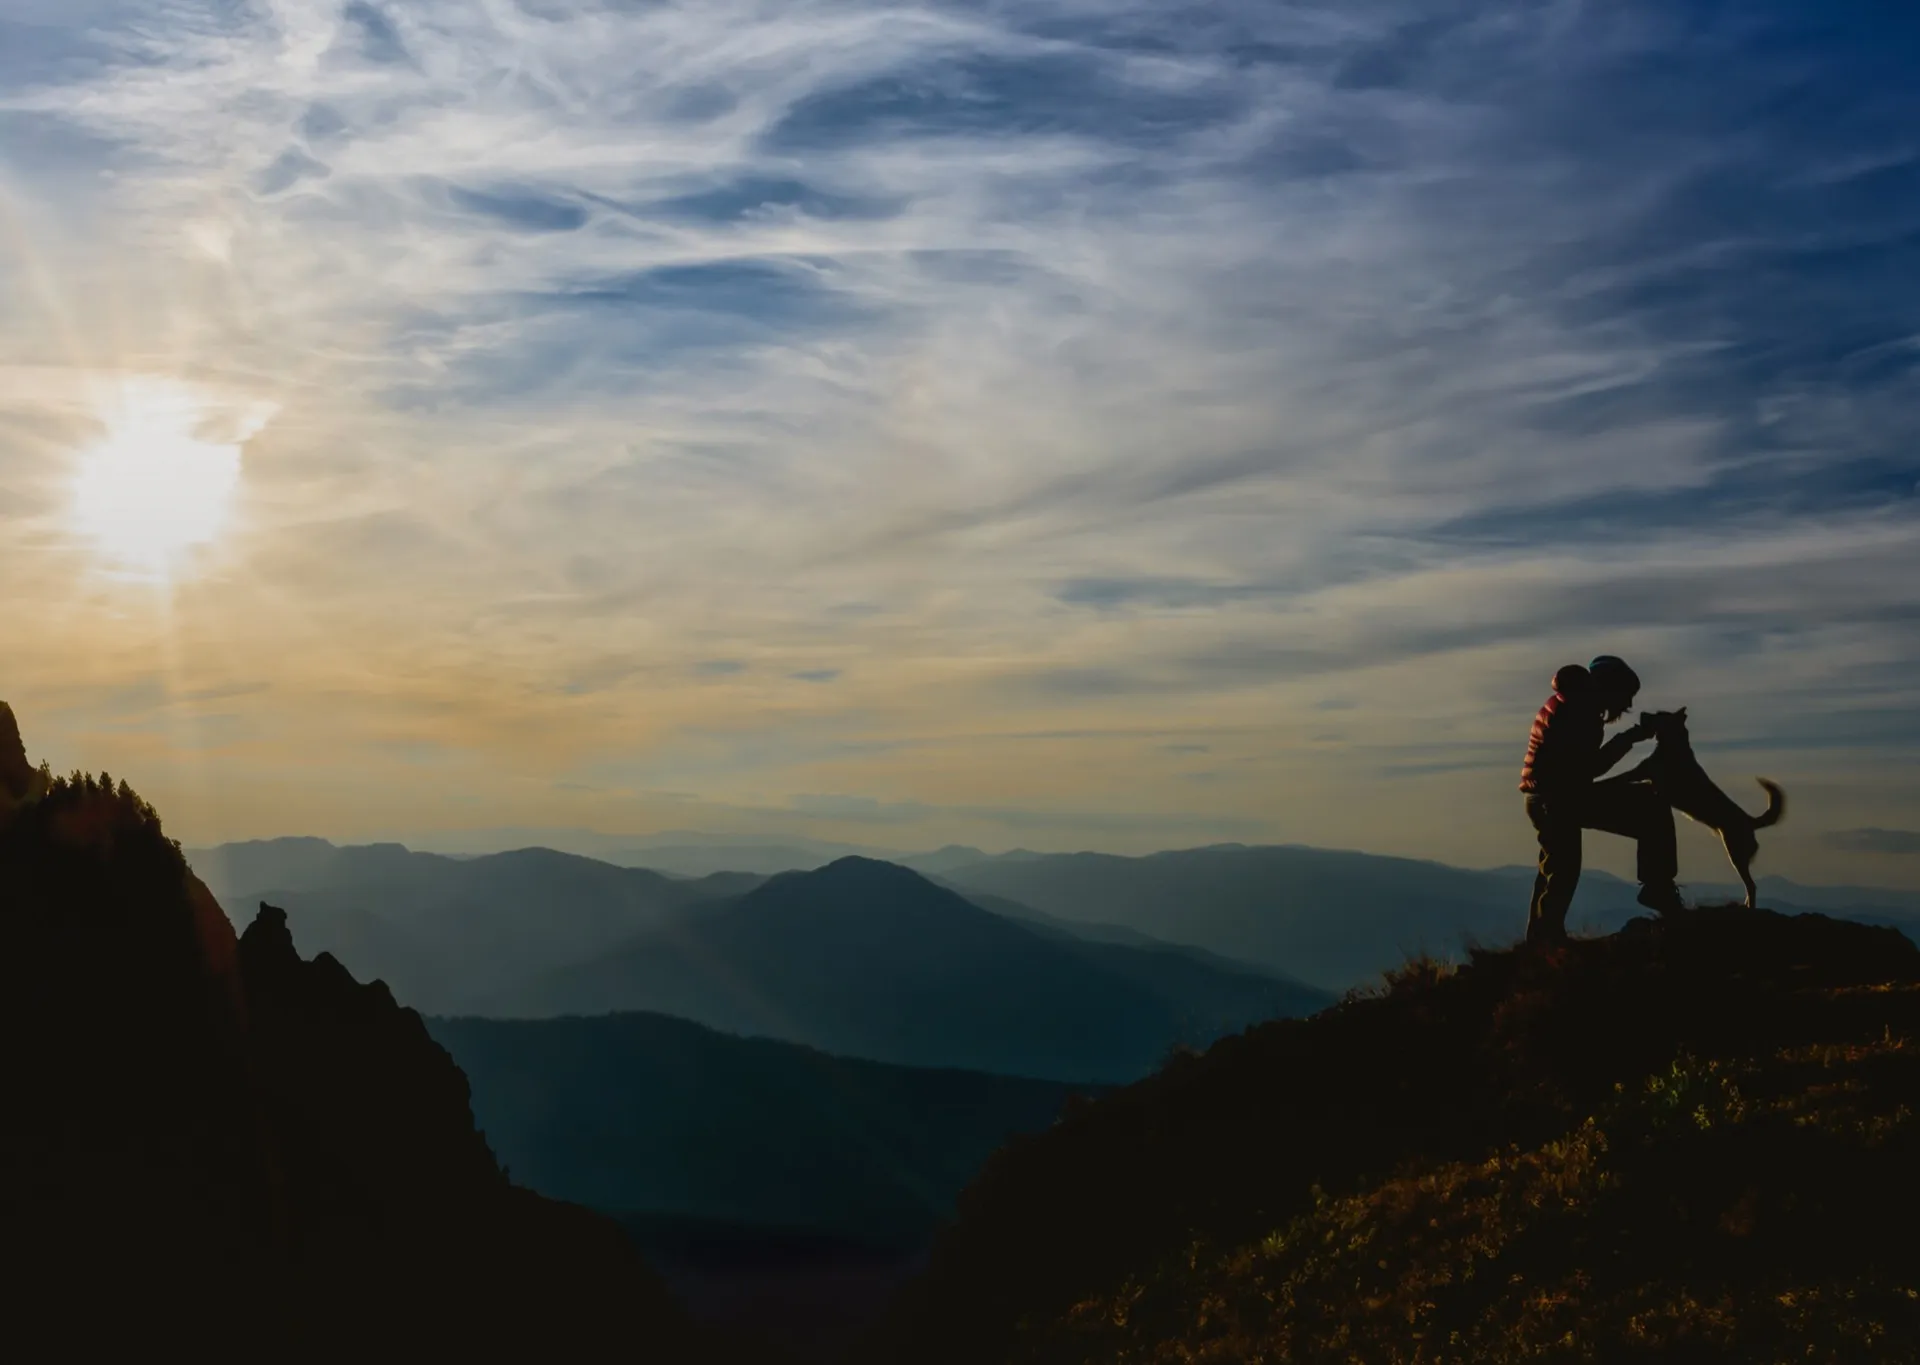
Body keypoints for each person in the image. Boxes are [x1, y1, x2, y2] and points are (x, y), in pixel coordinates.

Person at [1519, 656, 1683, 944]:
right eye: (1625, 696)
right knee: (1652, 805)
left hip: (1543, 797)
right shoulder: (1581, 711)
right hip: (1559, 798)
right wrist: (1631, 738)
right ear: (1611, 688)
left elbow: (1579, 769)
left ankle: (1541, 939)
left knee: (1556, 868)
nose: (1627, 705)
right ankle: (1657, 887)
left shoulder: (1570, 702)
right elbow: (1589, 768)